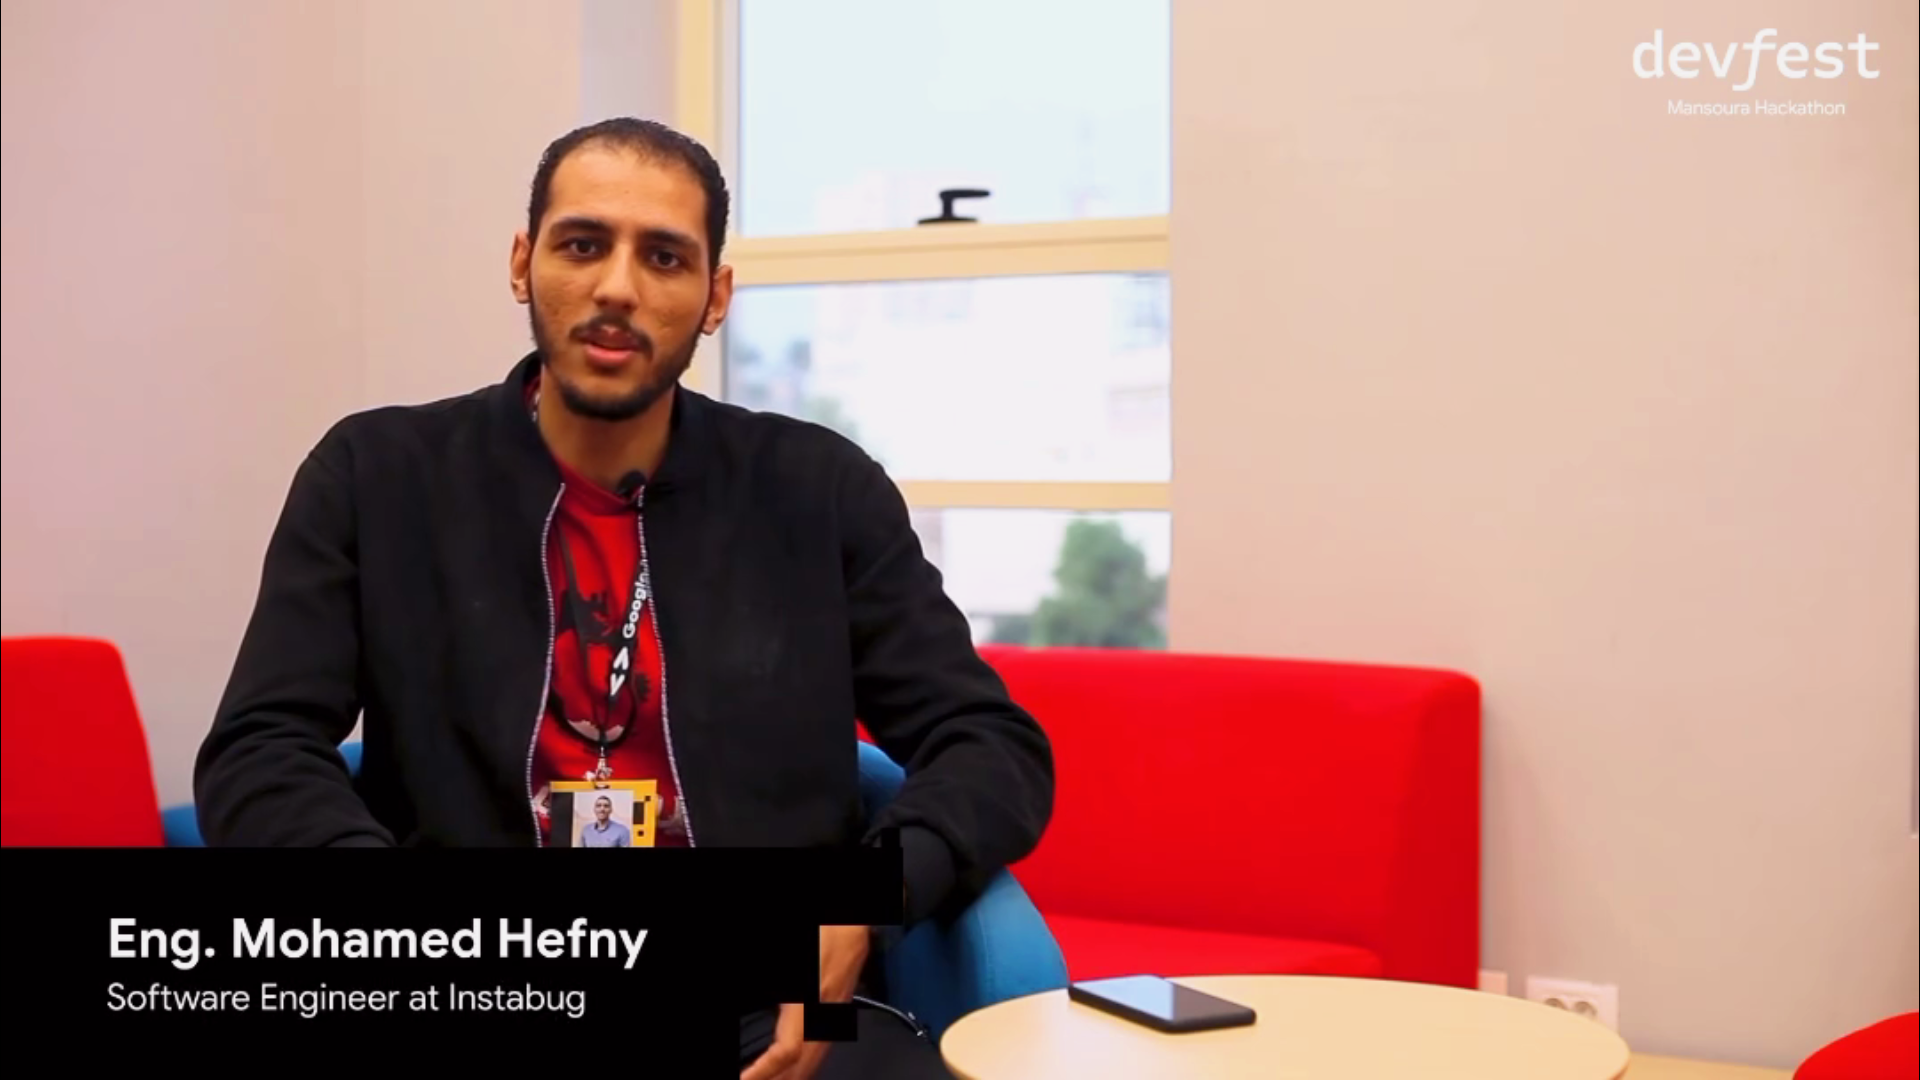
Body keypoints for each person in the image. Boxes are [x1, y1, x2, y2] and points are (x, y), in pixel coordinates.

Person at [193, 116, 1054, 1079]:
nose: (617, 287)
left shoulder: (818, 490)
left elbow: (991, 746)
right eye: (582, 244)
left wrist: (859, 905)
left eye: (665, 257)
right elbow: (258, 750)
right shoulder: (376, 474)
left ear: (715, 296)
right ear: (522, 264)